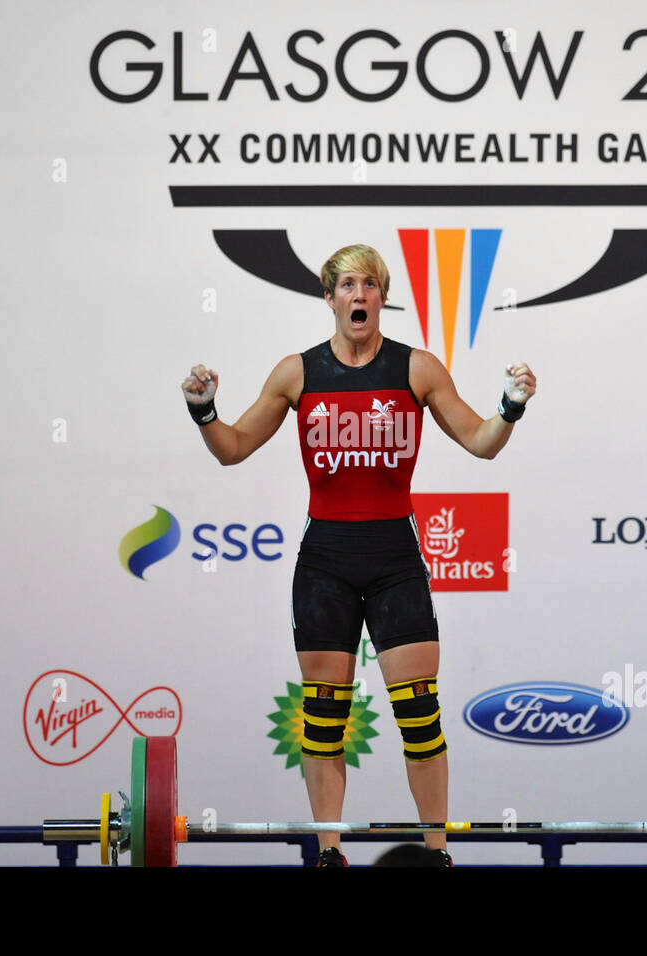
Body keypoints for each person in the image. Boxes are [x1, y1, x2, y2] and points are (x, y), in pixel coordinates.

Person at [180, 244, 536, 866]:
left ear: (381, 298)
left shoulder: (418, 369)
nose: (359, 295)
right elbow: (232, 448)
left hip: (395, 556)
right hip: (326, 562)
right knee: (323, 719)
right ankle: (329, 854)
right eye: (347, 284)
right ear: (331, 298)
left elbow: (483, 443)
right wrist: (203, 410)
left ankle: (436, 854)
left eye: (371, 284)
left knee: (420, 713)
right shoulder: (297, 373)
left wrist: (510, 405)